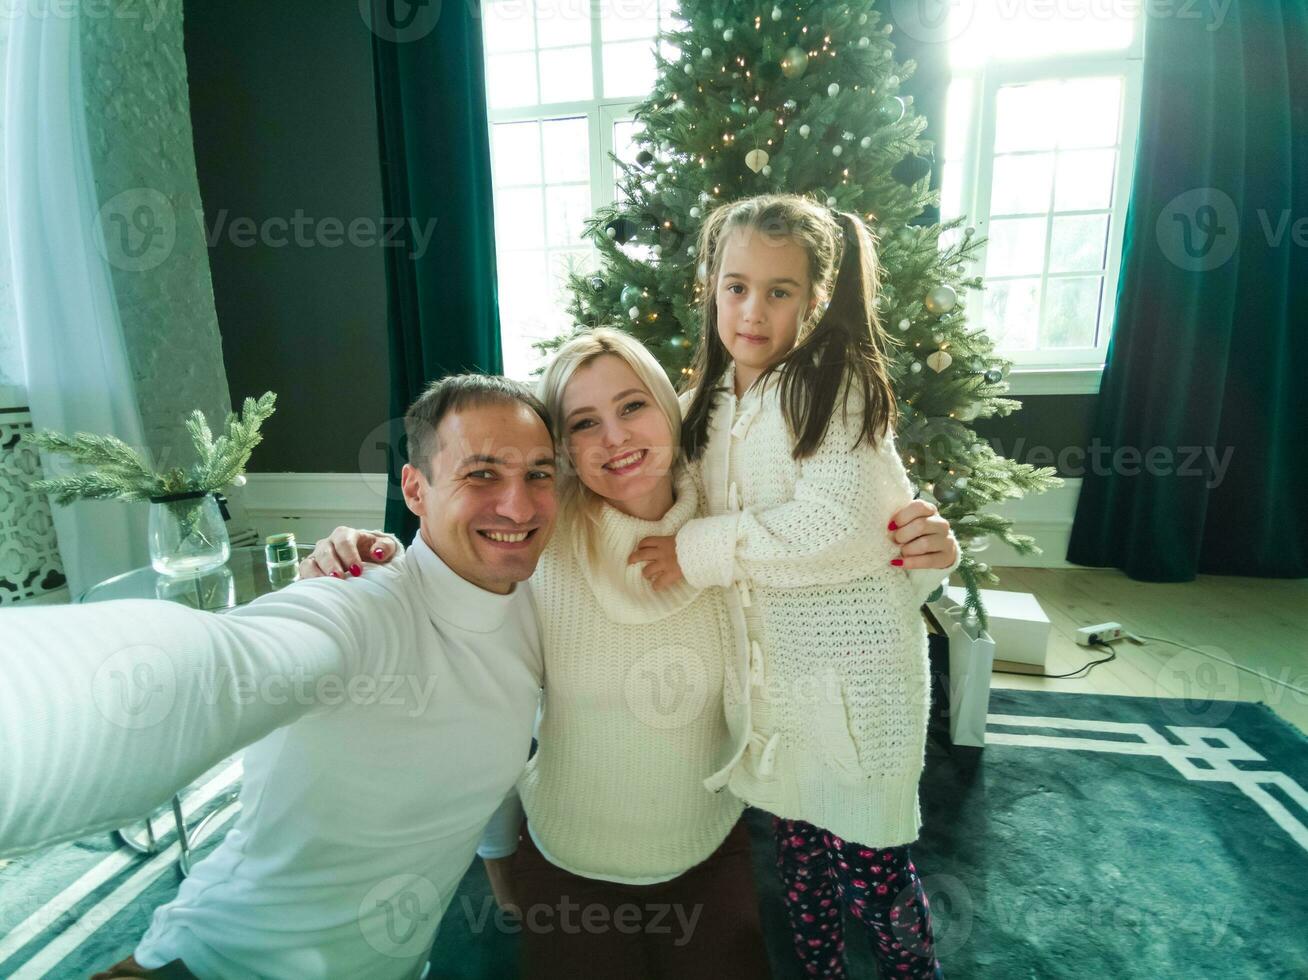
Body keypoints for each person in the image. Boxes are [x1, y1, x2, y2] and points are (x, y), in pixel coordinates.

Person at [306, 329, 960, 978]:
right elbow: (447, 577)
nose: (614, 438)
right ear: (562, 447)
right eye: (583, 423)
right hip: (568, 858)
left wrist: (924, 559)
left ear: (667, 404)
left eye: (631, 407)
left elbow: (837, 571)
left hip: (708, 848)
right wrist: (367, 560)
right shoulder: (541, 531)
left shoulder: (733, 518)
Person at [0, 375, 558, 980]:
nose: (519, 505)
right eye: (481, 474)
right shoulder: (362, 603)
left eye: (538, 473)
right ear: (415, 489)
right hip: (225, 962)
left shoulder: (532, 606)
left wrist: (503, 883)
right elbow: (221, 665)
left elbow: (486, 762)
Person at [631, 193, 956, 979]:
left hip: (855, 692)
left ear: (813, 302)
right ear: (711, 287)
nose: (752, 310)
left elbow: (838, 531)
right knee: (800, 866)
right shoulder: (707, 404)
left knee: (873, 876)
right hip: (775, 697)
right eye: (736, 286)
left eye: (779, 292)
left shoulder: (832, 390)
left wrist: (696, 550)